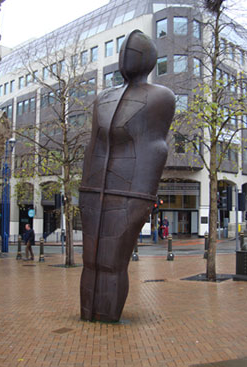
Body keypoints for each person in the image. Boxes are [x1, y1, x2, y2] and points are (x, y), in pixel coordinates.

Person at [79, 30, 175, 322]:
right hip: (95, 187)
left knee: (111, 260)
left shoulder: (160, 97)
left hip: (131, 190)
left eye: (132, 53)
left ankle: (106, 314)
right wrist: (85, 189)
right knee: (90, 260)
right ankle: (88, 312)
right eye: (123, 52)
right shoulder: (103, 98)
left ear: (148, 59)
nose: (124, 58)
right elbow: (94, 144)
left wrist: (143, 197)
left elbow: (154, 147)